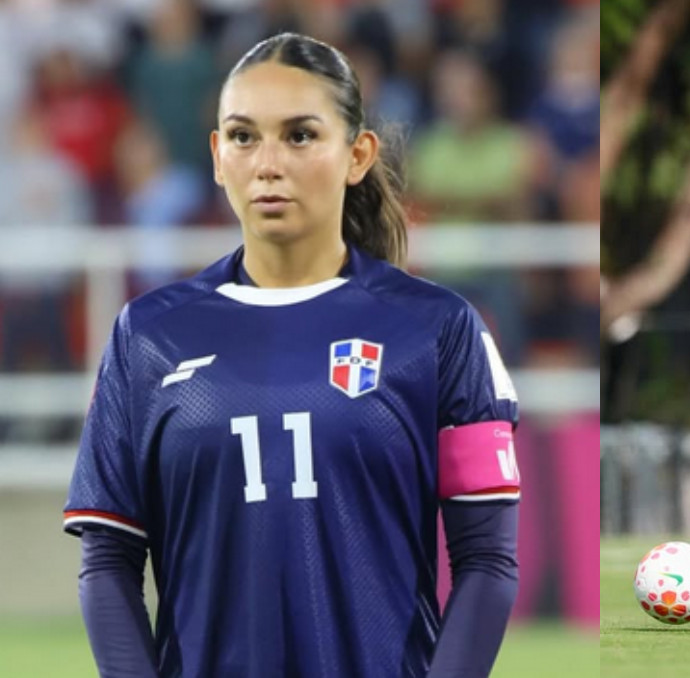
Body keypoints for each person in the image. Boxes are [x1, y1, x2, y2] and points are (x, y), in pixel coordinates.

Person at [62, 33, 521, 677]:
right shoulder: (147, 335)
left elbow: (487, 562)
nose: (268, 163)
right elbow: (107, 563)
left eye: (300, 135)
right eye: (243, 137)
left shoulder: (438, 328)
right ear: (217, 157)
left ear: (358, 155)